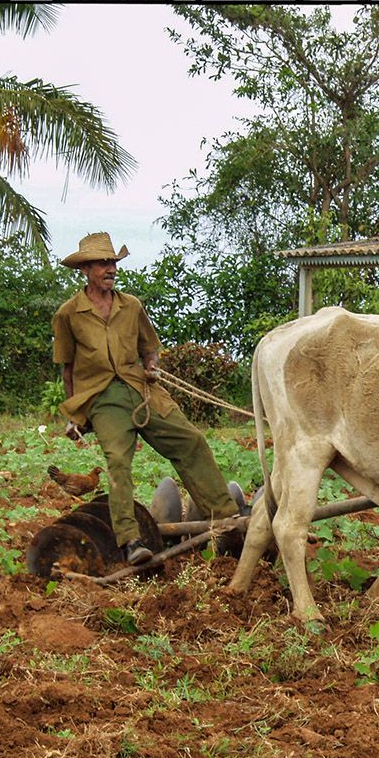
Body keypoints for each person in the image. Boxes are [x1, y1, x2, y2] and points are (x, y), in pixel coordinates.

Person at [52, 231, 243, 564]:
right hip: (103, 398)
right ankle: (130, 541)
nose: (110, 268)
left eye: (112, 262)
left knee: (190, 440)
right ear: (85, 269)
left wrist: (152, 366)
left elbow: (148, 348)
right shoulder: (69, 314)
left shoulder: (131, 306)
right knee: (118, 464)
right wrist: (75, 414)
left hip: (141, 389)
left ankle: (227, 515)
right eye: (102, 263)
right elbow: (68, 368)